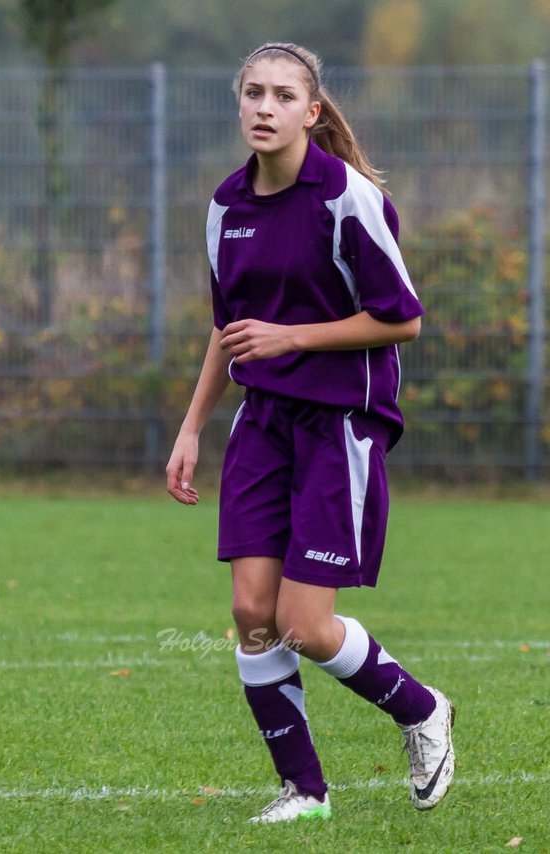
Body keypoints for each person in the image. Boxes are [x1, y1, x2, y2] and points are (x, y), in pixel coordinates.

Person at [165, 42, 455, 823]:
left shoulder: (346, 197)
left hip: (339, 426)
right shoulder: (227, 206)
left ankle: (423, 711)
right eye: (253, 93)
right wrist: (192, 426)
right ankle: (305, 790)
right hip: (262, 425)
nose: (265, 107)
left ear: (311, 111)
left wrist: (295, 338)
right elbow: (229, 331)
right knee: (253, 615)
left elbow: (405, 319)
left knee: (306, 625)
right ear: (239, 104)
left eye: (283, 96)